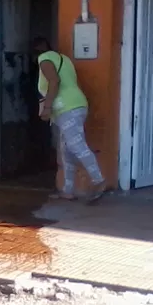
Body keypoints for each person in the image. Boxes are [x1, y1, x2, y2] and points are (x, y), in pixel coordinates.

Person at [33, 37, 106, 202]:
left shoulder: (44, 58)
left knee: (76, 145)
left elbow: (54, 81)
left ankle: (98, 179)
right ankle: (68, 190)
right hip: (77, 104)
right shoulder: (64, 59)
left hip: (67, 108)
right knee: (66, 151)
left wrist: (47, 107)